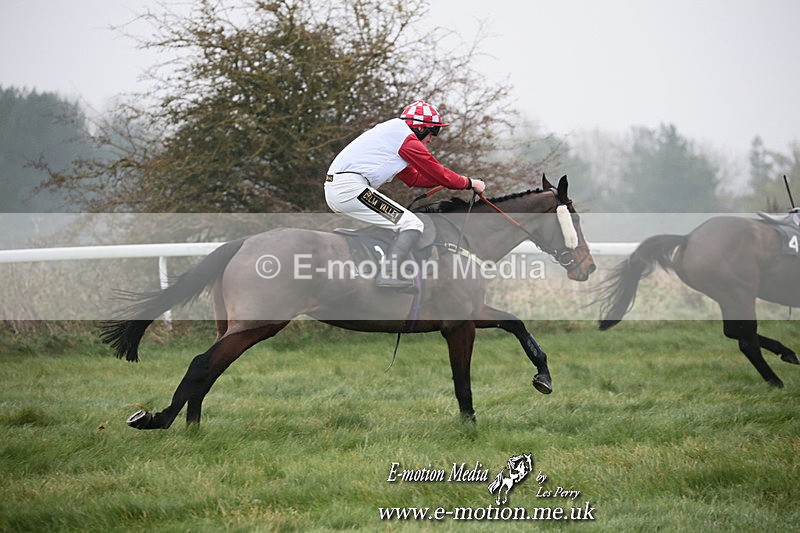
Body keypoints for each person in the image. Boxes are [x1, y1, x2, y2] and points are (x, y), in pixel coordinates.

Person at [325, 100, 486, 292]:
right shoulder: (406, 139)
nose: (431, 139)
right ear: (420, 127)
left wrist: (448, 181)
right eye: (432, 132)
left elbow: (414, 178)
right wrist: (469, 182)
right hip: (349, 189)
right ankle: (388, 274)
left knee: (400, 222)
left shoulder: (394, 136)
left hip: (344, 187)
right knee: (412, 223)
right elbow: (436, 170)